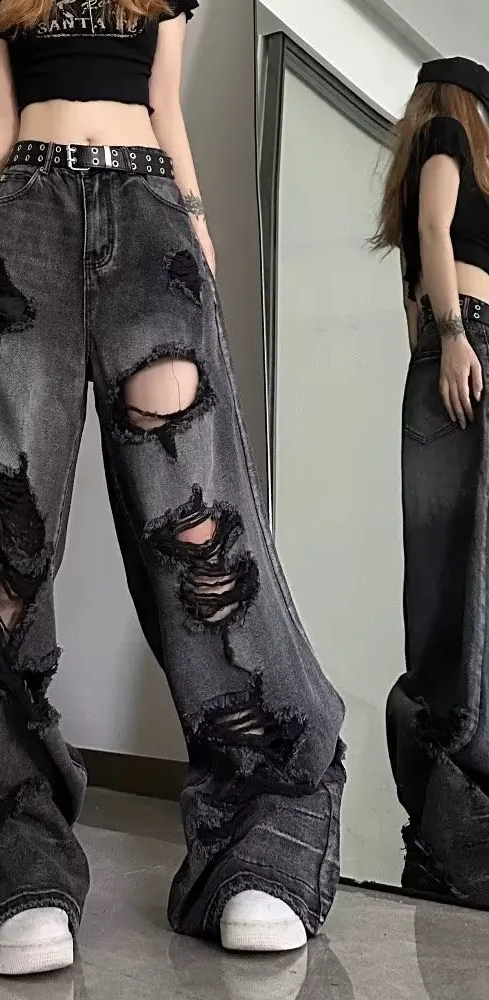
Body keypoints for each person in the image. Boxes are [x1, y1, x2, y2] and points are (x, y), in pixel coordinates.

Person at [0, 0, 345, 976]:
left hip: (147, 209)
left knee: (199, 525)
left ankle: (262, 826)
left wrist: (195, 219)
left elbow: (165, 106)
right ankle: (0, 851)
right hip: (26, 214)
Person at [373, 56, 489, 902]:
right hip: (469, 340)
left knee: (455, 583)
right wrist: (454, 340)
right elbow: (435, 232)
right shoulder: (450, 134)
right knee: (454, 587)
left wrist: (435, 344)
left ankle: (449, 823)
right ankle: (452, 826)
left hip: (454, 346)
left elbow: (411, 287)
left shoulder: (426, 154)